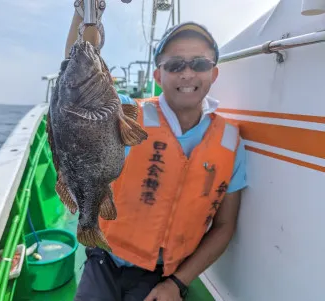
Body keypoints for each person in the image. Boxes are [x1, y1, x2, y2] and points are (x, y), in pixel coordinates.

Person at [65, 6, 247, 301]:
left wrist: (178, 282)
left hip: (165, 277)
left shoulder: (230, 142)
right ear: (158, 75)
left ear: (214, 73)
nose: (187, 73)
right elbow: (77, 82)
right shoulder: (128, 113)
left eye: (199, 64)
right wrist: (84, 10)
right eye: (175, 65)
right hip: (104, 259)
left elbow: (225, 225)